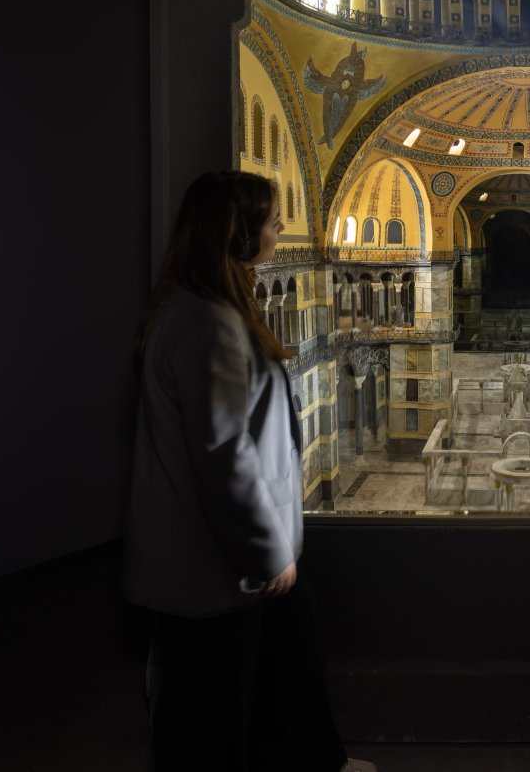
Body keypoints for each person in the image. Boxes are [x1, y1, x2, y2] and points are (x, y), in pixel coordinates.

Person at [125, 170, 375, 772]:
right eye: (270, 220)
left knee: (283, 664)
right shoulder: (207, 323)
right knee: (211, 710)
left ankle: (313, 761)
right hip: (220, 559)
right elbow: (225, 457)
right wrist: (269, 554)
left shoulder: (204, 310)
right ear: (238, 235)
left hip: (233, 554)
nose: (281, 228)